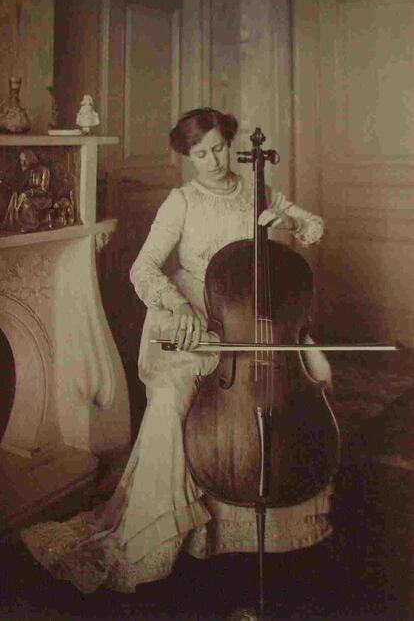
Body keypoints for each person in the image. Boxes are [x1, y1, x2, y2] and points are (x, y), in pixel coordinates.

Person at [21, 108, 333, 594]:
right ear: (186, 157)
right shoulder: (181, 201)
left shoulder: (257, 190)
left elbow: (314, 228)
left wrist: (287, 221)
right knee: (171, 401)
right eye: (199, 153)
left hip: (250, 320)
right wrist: (180, 308)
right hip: (191, 317)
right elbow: (143, 269)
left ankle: (265, 515)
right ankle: (162, 535)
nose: (212, 160)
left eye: (219, 148)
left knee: (308, 376)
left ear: (232, 144)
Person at [1, 149, 53, 232]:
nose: (22, 163)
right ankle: (11, 222)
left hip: (44, 198)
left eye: (24, 160)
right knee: (15, 196)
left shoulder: (44, 170)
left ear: (31, 159)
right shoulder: (29, 172)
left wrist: (28, 193)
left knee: (27, 201)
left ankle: (31, 225)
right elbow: (23, 186)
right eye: (21, 160)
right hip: (32, 196)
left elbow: (44, 190)